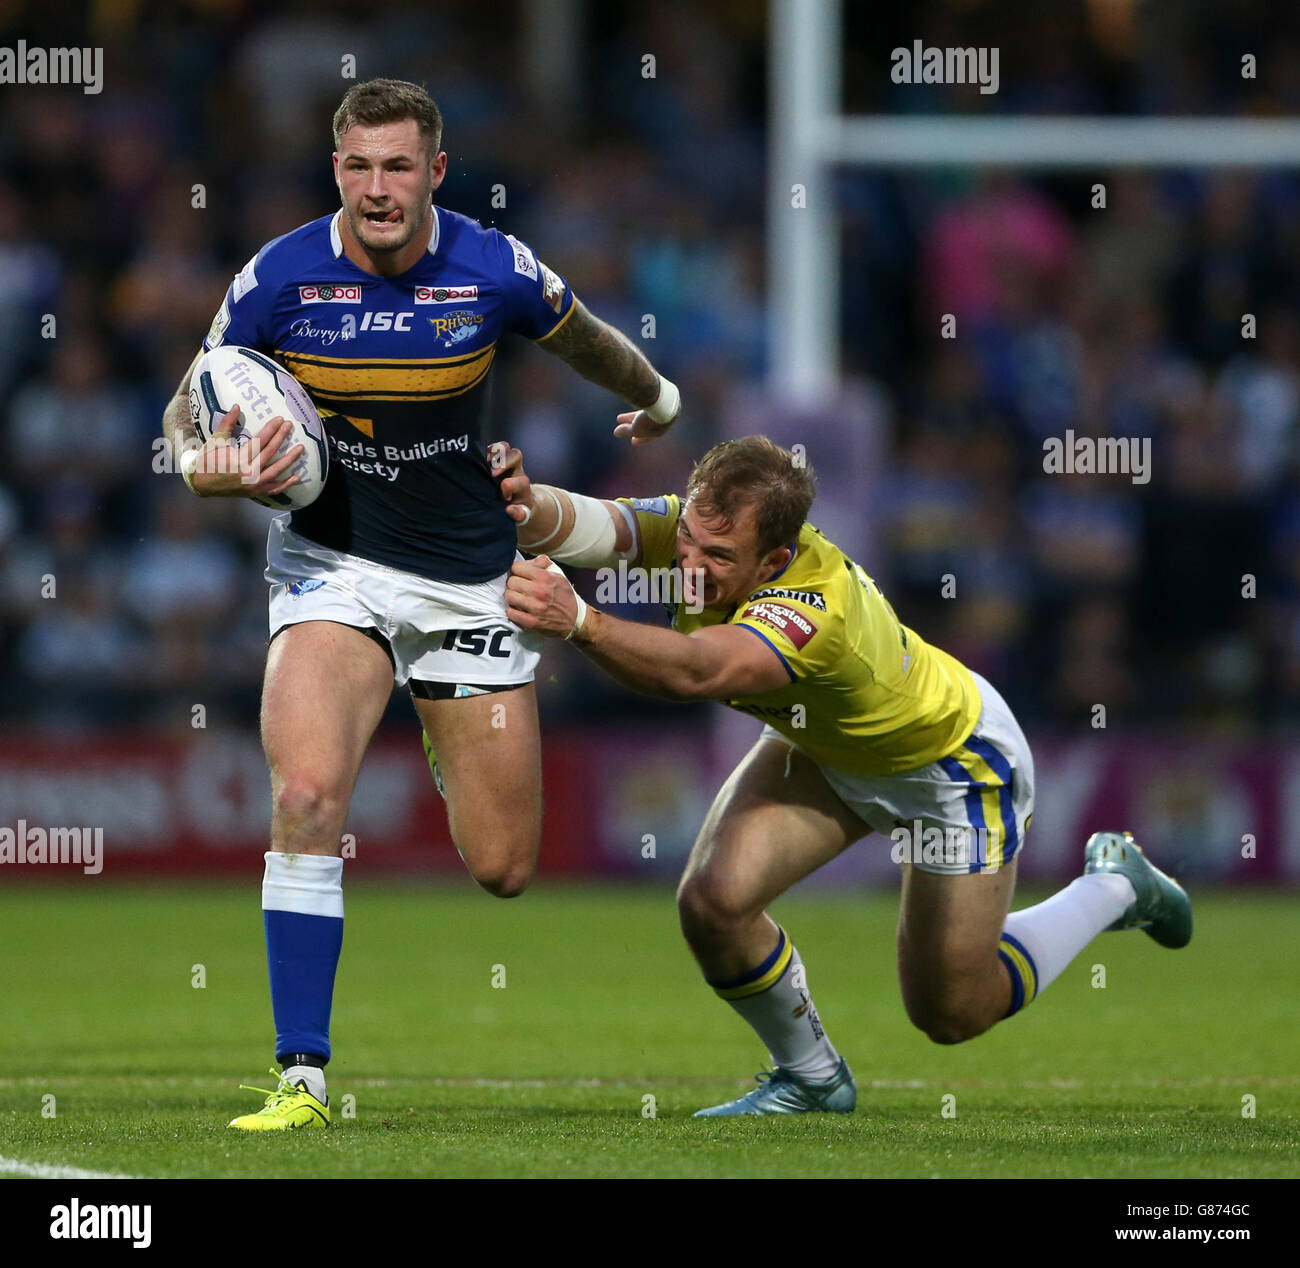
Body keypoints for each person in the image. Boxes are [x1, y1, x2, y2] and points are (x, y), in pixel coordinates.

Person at [159, 78, 681, 1130]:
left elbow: (581, 335)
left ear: (435, 170)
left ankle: (447, 719)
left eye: (399, 166)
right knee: (306, 793)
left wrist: (655, 394)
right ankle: (300, 1076)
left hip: (466, 577)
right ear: (336, 168)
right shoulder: (278, 276)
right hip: (329, 563)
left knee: (503, 866)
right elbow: (189, 405)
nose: (378, 188)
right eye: (358, 166)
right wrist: (204, 469)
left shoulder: (492, 266)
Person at [484, 436, 1192, 1116]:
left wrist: (580, 621)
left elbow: (702, 670)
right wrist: (523, 501)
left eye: (718, 555)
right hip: (828, 749)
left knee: (951, 1012)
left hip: (951, 767)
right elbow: (590, 525)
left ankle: (1114, 885)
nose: (691, 564)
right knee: (713, 902)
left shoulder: (814, 611)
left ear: (775, 561)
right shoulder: (703, 528)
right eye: (690, 541)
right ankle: (813, 1078)